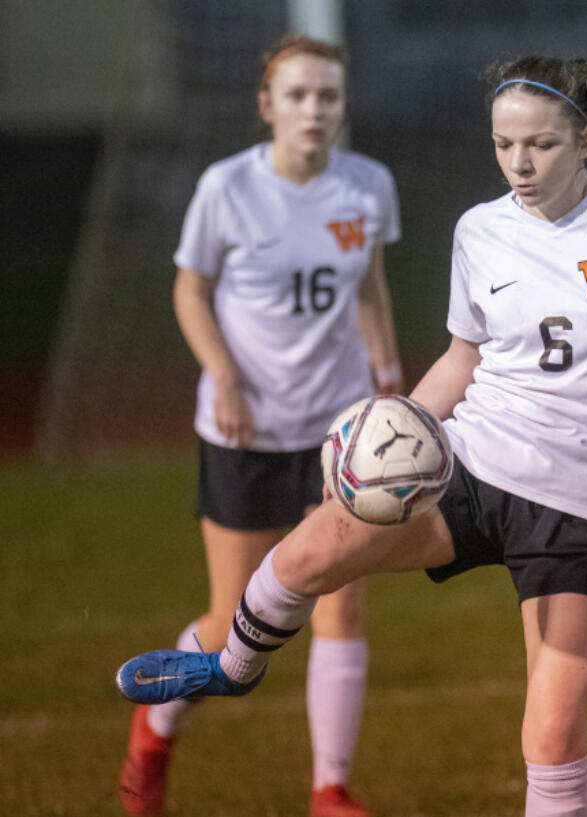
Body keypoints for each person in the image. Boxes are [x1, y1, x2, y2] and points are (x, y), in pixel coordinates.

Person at [116, 55, 587, 817]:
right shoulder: (481, 229)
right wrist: (395, 429)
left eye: (540, 145)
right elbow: (465, 356)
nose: (519, 164)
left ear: (586, 139)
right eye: (503, 145)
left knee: (553, 732)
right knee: (305, 552)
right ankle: (233, 667)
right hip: (474, 466)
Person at [118, 35, 402, 817]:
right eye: (299, 95)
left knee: (342, 604)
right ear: (267, 105)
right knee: (227, 626)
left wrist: (387, 380)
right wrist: (226, 374)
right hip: (244, 432)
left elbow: (370, 290)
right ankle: (156, 728)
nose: (315, 111)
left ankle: (330, 789)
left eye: (330, 97)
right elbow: (190, 291)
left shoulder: (368, 185)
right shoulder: (226, 188)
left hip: (338, 440)